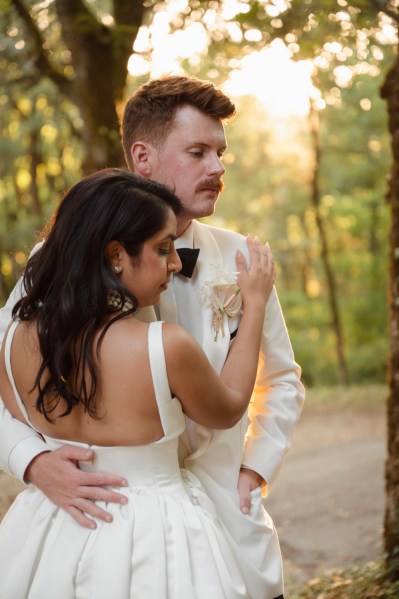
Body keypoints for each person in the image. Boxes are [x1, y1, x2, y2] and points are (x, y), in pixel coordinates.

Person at [0, 76, 304, 598]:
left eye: (220, 152)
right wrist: (31, 460)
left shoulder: (243, 261)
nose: (218, 167)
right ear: (143, 157)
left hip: (228, 524)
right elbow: (9, 367)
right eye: (198, 152)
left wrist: (254, 472)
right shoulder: (58, 260)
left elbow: (281, 381)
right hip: (101, 521)